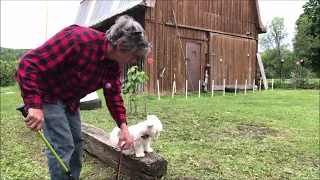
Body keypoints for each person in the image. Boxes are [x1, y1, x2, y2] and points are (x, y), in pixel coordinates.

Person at [14, 15, 150, 180]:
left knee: (77, 143)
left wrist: (124, 128)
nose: (134, 60)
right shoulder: (77, 40)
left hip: (71, 100)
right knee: (62, 145)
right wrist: (34, 105)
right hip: (48, 94)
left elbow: (113, 95)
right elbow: (28, 64)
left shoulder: (113, 66)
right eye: (133, 54)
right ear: (120, 45)